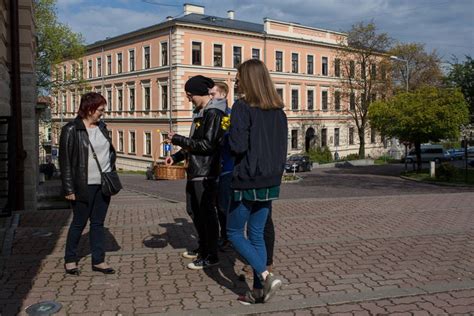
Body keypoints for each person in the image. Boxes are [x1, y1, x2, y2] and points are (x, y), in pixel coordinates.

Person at [227, 59, 288, 304]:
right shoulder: (279, 111)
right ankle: (259, 292)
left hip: (247, 178)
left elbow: (237, 146)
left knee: (233, 231)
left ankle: (265, 275)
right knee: (256, 234)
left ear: (248, 79)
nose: (236, 80)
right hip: (270, 179)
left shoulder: (242, 107)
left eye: (238, 76)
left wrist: (228, 134)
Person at [165, 75, 226, 270]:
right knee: (194, 211)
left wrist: (179, 140)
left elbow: (207, 145)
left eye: (190, 95)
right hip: (196, 170)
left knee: (206, 215)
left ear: (200, 93)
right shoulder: (201, 113)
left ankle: (211, 254)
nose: (188, 98)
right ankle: (203, 248)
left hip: (206, 172)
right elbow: (195, 143)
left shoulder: (213, 113)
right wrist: (176, 157)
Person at [59, 92, 117, 275]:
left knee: (98, 223)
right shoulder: (71, 129)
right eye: (100, 110)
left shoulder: (102, 127)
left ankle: (98, 260)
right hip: (83, 185)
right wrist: (69, 188)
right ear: (90, 109)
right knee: (78, 223)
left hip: (103, 184)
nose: (102, 113)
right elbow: (65, 162)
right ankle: (70, 259)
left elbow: (109, 153)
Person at [209, 82, 232, 250]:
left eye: (213, 94)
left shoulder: (228, 116)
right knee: (218, 205)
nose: (210, 97)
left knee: (224, 206)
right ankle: (224, 235)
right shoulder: (210, 114)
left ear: (223, 95)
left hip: (227, 168)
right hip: (215, 168)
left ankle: (229, 236)